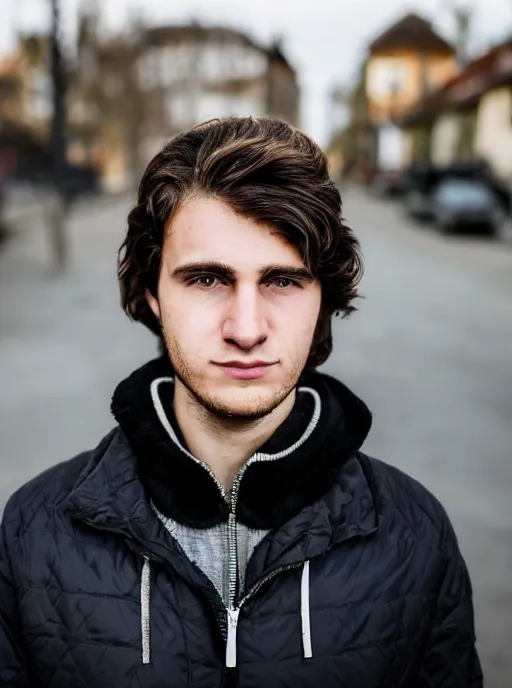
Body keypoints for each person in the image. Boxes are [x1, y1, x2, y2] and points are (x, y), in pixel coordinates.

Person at [0, 117, 482, 687]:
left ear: (322, 297)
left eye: (282, 280)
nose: (246, 329)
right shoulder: (35, 533)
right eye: (207, 279)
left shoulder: (415, 535)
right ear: (153, 293)